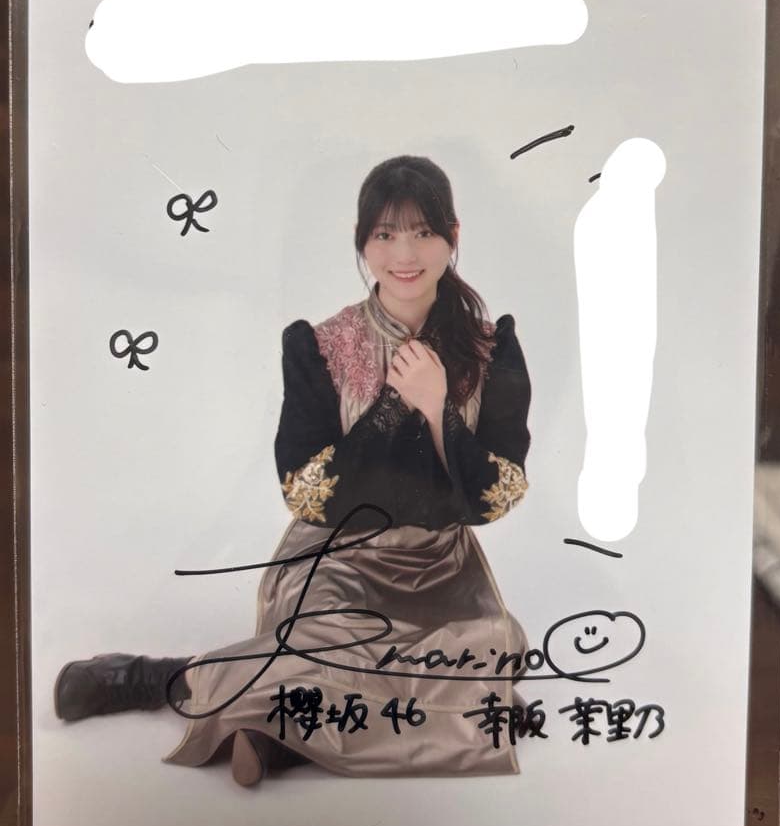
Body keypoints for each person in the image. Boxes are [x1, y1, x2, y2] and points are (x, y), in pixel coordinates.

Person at [54, 155, 532, 786]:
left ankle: (279, 733)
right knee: (362, 658)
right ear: (362, 242)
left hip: (442, 570)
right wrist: (393, 406)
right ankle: (157, 679)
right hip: (337, 566)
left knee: (498, 647)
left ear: (453, 236)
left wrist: (438, 408)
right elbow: (310, 495)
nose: (404, 253)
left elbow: (495, 497)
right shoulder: (320, 345)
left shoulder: (491, 348)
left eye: (423, 232)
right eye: (385, 234)